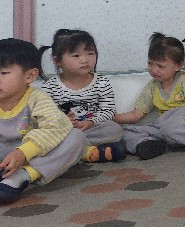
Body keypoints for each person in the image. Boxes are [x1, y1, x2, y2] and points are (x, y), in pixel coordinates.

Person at [114, 33, 185, 160]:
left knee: (169, 127)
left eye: (160, 66)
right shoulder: (152, 87)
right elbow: (136, 115)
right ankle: (146, 144)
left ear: (178, 66)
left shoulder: (184, 81)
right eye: (150, 63)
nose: (154, 70)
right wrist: (111, 117)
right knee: (125, 131)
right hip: (163, 126)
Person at [0, 38, 88, 205]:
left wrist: (23, 153)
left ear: (30, 76)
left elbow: (57, 126)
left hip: (35, 154)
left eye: (4, 73)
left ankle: (22, 177)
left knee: (77, 138)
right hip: (4, 155)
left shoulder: (37, 98)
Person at [40, 29, 127, 164]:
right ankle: (90, 152)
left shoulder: (102, 82)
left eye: (90, 53)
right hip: (65, 131)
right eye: (76, 55)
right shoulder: (50, 87)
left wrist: (91, 121)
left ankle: (74, 151)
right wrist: (63, 120)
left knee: (114, 129)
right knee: (43, 134)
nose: (85, 60)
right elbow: (44, 115)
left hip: (91, 128)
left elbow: (108, 111)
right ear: (57, 61)